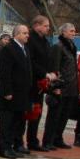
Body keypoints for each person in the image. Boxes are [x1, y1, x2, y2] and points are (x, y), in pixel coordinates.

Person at [0, 25, 33, 159]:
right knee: (7, 122)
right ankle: (3, 147)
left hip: (22, 92)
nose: (27, 35)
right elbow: (5, 72)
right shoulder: (9, 49)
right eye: (24, 33)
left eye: (27, 33)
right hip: (11, 93)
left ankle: (14, 145)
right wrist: (7, 91)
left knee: (18, 121)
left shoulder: (25, 48)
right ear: (16, 34)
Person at [41, 23, 78, 150]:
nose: (74, 33)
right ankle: (48, 141)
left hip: (71, 87)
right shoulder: (58, 47)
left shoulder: (71, 47)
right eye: (71, 31)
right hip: (60, 87)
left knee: (64, 116)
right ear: (64, 32)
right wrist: (55, 86)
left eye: (74, 31)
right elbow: (54, 68)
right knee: (54, 116)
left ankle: (58, 138)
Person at [25, 16, 55, 150]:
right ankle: (24, 141)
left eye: (48, 26)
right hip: (31, 82)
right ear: (36, 25)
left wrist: (51, 72)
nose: (48, 28)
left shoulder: (45, 41)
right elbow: (31, 61)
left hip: (41, 83)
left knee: (37, 112)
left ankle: (33, 141)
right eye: (45, 26)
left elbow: (48, 59)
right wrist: (44, 73)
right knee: (29, 112)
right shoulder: (30, 40)